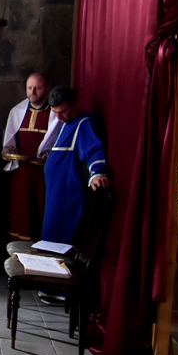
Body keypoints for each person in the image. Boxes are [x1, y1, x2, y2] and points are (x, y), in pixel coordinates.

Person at [41, 86, 110, 245]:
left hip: (67, 193)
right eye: (55, 112)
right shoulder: (67, 122)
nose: (58, 116)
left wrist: (97, 173)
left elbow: (94, 149)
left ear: (76, 104)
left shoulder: (84, 123)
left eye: (62, 111)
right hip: (55, 192)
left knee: (60, 237)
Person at [2, 73, 60, 242]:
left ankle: (43, 247)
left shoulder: (56, 113)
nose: (32, 91)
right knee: (21, 209)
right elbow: (9, 141)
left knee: (42, 208)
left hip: (45, 172)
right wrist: (8, 153)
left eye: (38, 88)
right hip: (21, 171)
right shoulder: (17, 111)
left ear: (48, 89)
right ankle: (19, 248)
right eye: (29, 87)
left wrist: (47, 157)